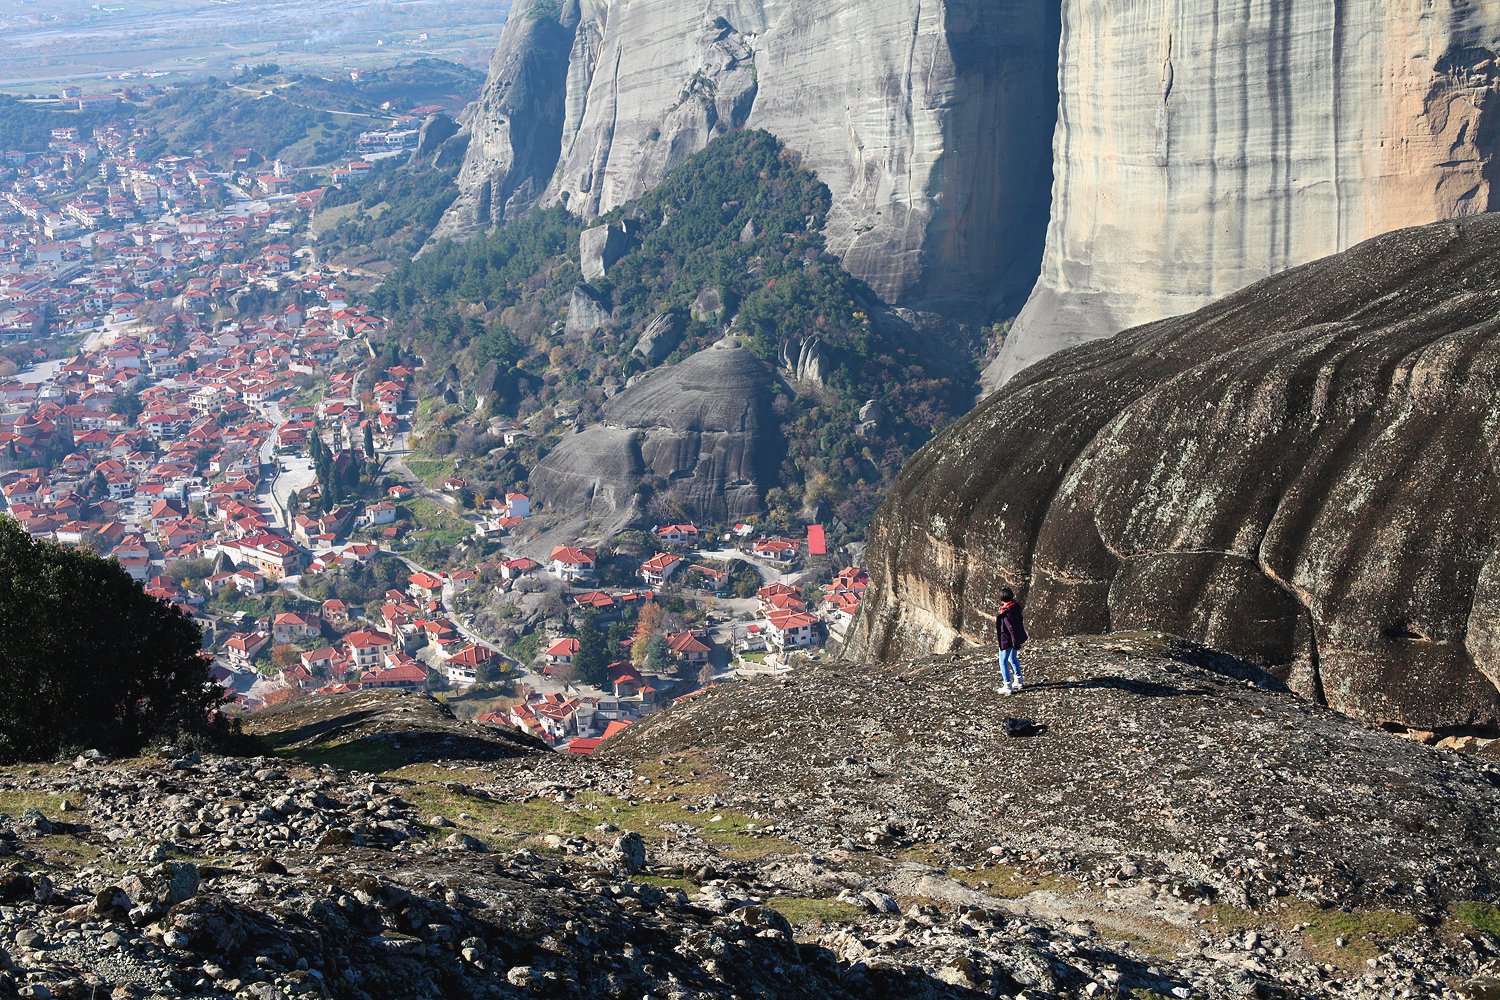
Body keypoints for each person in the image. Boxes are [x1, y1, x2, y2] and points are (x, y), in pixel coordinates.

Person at [995, 587, 1027, 694]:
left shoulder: (1006, 613)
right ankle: (1019, 680)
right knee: (1012, 658)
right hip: (1015, 638)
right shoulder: (1015, 607)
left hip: (1007, 640)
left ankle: (1007, 685)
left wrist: (1013, 641)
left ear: (1001, 599)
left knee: (1002, 661)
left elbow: (1010, 628)